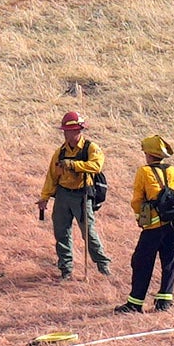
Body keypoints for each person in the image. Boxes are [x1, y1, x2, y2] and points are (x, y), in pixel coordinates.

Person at [42, 111, 112, 280]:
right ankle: (66, 269)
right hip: (63, 196)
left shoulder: (91, 148)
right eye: (66, 131)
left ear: (79, 131)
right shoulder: (59, 153)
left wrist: (73, 165)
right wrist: (45, 197)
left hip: (82, 196)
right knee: (61, 233)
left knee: (88, 233)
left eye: (72, 130)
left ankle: (103, 265)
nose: (68, 134)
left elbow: (96, 166)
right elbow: (52, 176)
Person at [122, 131, 174, 311]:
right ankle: (164, 302)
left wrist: (141, 218)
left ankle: (135, 304)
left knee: (141, 262)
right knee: (169, 263)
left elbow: (137, 200)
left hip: (153, 228)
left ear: (149, 154)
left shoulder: (144, 172)